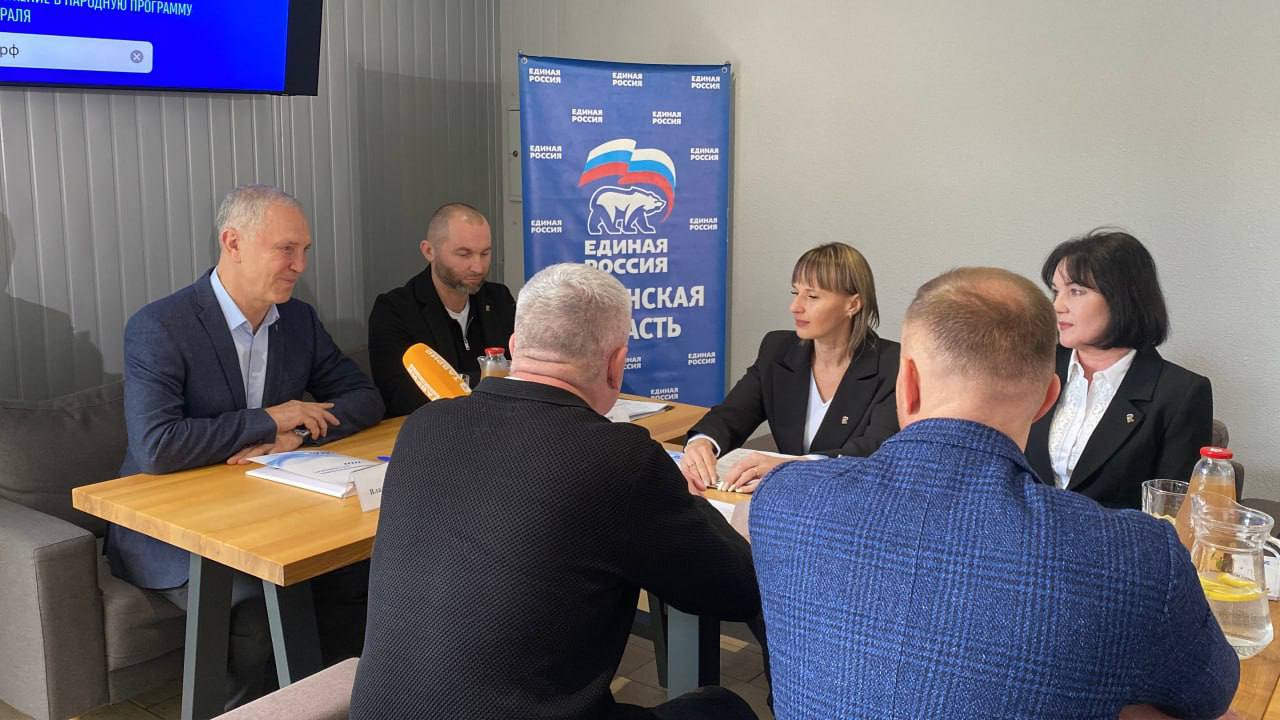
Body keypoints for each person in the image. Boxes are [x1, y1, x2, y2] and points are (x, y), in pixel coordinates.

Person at [750, 267, 1238, 719]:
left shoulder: (783, 503)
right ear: (1048, 398)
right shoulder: (1137, 557)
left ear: (907, 384)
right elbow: (1211, 695)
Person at [350, 263, 760, 720]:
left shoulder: (424, 425)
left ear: (514, 348)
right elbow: (736, 591)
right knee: (722, 707)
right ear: (616, 364)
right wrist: (713, 513)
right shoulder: (619, 458)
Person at [109, 184, 385, 707]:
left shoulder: (298, 321)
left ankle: (338, 706)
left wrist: (292, 435)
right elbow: (156, 446)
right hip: (172, 525)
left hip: (269, 509)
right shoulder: (160, 326)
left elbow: (364, 398)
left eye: (304, 250)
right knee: (254, 607)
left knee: (357, 574)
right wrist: (266, 420)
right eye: (286, 249)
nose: (299, 265)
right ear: (232, 243)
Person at [680, 242, 898, 493]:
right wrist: (702, 442)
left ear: (853, 304)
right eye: (795, 293)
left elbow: (874, 451)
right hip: (783, 500)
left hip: (850, 500)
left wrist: (790, 468)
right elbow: (732, 414)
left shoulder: (892, 364)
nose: (795, 307)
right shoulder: (777, 349)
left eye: (812, 296)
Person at [1026, 229, 1213, 508]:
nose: (1058, 305)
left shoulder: (1180, 393)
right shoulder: (1034, 366)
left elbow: (1173, 511)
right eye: (1056, 291)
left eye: (1076, 291)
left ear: (1122, 298)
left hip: (1116, 536)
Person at [367, 202, 515, 416]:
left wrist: (459, 381)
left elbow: (524, 375)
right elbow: (401, 396)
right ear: (429, 251)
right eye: (464, 254)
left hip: (498, 422)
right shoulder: (395, 310)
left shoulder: (499, 299)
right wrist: (492, 379)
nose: (478, 267)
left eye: (485, 253)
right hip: (431, 428)